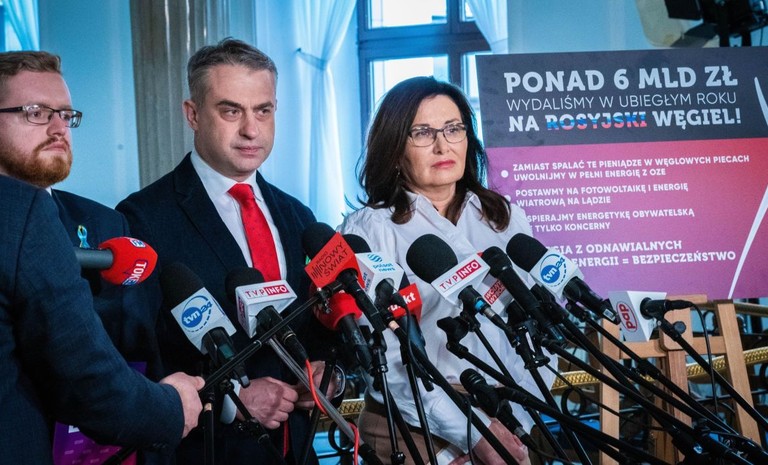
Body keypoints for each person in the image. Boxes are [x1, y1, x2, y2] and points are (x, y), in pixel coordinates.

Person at [117, 38, 338, 465]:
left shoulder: (298, 216)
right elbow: (136, 356)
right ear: (193, 114)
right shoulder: (141, 218)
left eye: (263, 111)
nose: (252, 130)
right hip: (206, 452)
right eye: (231, 111)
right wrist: (230, 401)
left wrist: (327, 374)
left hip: (299, 450)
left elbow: (316, 327)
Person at [338, 76, 557, 465]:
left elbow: (539, 328)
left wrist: (516, 425)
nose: (443, 145)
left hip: (510, 413)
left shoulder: (504, 217)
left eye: (453, 129)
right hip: (415, 424)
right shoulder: (368, 230)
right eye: (423, 133)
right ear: (394, 148)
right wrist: (475, 435)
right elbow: (386, 362)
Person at [0, 173, 204, 464]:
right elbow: (83, 377)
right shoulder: (18, 211)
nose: (62, 136)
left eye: (70, 124)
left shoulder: (106, 223)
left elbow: (133, 349)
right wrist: (171, 407)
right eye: (36, 121)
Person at [0, 50, 159, 373]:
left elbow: (136, 352)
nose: (59, 128)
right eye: (37, 113)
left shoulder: (106, 224)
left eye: (65, 114)